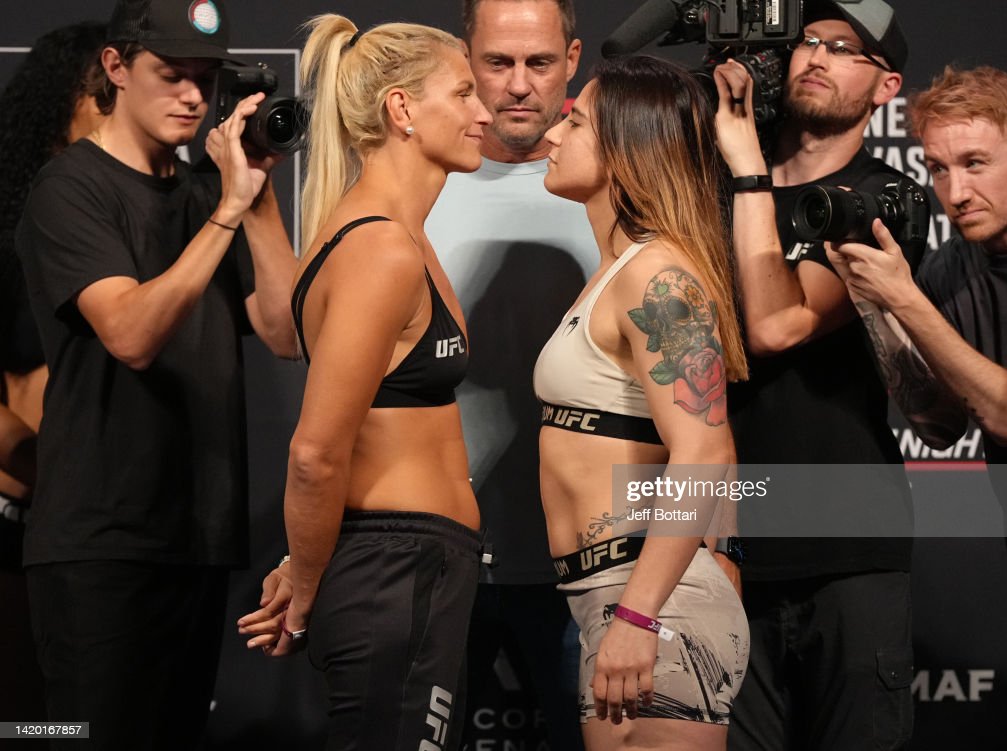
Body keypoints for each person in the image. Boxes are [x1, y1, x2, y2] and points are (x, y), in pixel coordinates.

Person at [14, 0, 298, 746]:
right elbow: (132, 334)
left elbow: (285, 332)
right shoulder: (70, 188)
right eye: (172, 75)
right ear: (116, 67)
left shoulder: (211, 194)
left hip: (197, 538)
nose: (194, 97)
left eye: (206, 78)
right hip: (99, 544)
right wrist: (226, 213)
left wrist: (258, 196)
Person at [236, 14, 491, 750]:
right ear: (401, 108)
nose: (483, 112)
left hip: (411, 569)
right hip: (392, 574)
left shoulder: (393, 234)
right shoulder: (379, 247)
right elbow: (316, 452)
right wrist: (306, 577)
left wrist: (302, 559)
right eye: (463, 92)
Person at [712, 0, 925, 747]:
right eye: (808, 40)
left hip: (847, 549)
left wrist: (749, 173)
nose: (817, 56)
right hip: (723, 547)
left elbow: (778, 326)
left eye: (844, 48)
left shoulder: (886, 200)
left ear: (886, 86)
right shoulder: (708, 175)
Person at [535, 54, 749, 751]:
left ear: (626, 147)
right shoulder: (621, 271)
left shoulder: (656, 275)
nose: (552, 134)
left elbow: (705, 449)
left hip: (648, 601)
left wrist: (640, 613)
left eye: (575, 122)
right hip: (619, 597)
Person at [826, 64, 1007, 704]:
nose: (955, 191)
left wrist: (906, 301)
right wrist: (871, 304)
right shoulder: (952, 267)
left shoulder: (929, 285)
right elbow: (939, 426)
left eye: (975, 163)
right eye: (938, 168)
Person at [423, 0, 589, 745]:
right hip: (436, 559)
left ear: (573, 60)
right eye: (497, 62)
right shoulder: (413, 186)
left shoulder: (620, 187)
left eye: (540, 62)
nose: (519, 84)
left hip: (585, 568)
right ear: (466, 57)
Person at [0, 20, 107, 723]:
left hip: (102, 537)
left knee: (86, 725)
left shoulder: (138, 225)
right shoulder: (8, 239)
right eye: (102, 94)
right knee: (28, 722)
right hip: (18, 528)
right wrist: (47, 467)